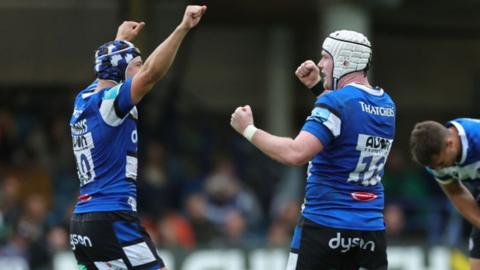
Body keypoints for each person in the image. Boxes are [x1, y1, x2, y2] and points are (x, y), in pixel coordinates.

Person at [230, 30, 395, 270]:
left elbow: (295, 153)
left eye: (326, 57)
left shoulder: (336, 103)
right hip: (370, 230)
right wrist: (318, 87)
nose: (320, 63)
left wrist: (248, 129)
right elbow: (349, 119)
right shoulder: (387, 104)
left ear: (344, 60)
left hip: (324, 226)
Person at [69, 5, 206, 270]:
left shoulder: (83, 99)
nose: (140, 71)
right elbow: (151, 74)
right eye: (136, 66)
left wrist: (121, 41)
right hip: (113, 217)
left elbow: (107, 71)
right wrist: (183, 27)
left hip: (83, 220)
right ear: (122, 71)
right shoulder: (110, 105)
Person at [410, 118, 480, 270]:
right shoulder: (435, 164)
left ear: (450, 144)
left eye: (441, 163)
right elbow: (455, 192)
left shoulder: (477, 136)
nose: (439, 169)